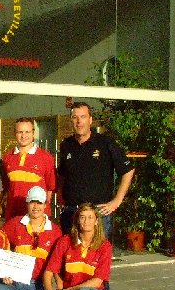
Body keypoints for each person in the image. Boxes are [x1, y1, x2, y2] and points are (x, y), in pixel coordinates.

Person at [58, 102, 135, 239]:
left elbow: (128, 170)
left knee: (97, 258)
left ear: (90, 120)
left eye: (83, 117)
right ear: (71, 120)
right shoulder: (66, 145)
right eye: (75, 117)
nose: (79, 121)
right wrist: (61, 198)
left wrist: (117, 200)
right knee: (71, 258)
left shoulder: (105, 143)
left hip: (99, 213)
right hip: (71, 213)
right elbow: (62, 175)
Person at [1, 118, 56, 221]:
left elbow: (50, 189)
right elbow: (5, 188)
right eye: (20, 132)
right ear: (15, 133)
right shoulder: (7, 158)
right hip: (13, 215)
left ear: (33, 133)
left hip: (37, 217)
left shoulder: (46, 157)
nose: (23, 136)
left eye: (27, 132)